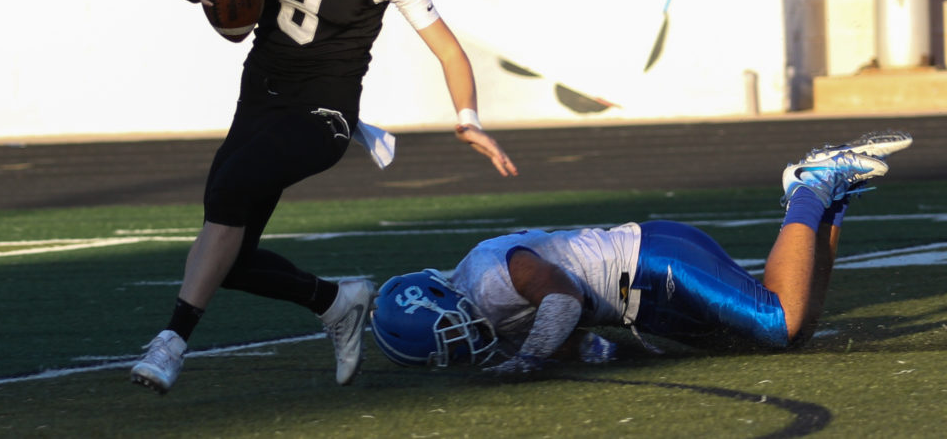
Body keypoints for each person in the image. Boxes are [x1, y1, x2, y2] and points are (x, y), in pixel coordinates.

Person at [130, 0, 517, 394]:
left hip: (325, 111)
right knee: (228, 256)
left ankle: (172, 342)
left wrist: (467, 118)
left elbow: (448, 49)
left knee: (231, 197)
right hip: (260, 91)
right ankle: (337, 301)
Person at [370, 130, 912, 372]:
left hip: (652, 266)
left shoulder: (488, 279)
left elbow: (560, 301)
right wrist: (586, 354)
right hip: (644, 289)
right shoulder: (481, 298)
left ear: (442, 297)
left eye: (449, 333)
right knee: (786, 335)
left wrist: (529, 360)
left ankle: (811, 185)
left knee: (777, 322)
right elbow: (576, 337)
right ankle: (831, 203)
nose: (460, 342)